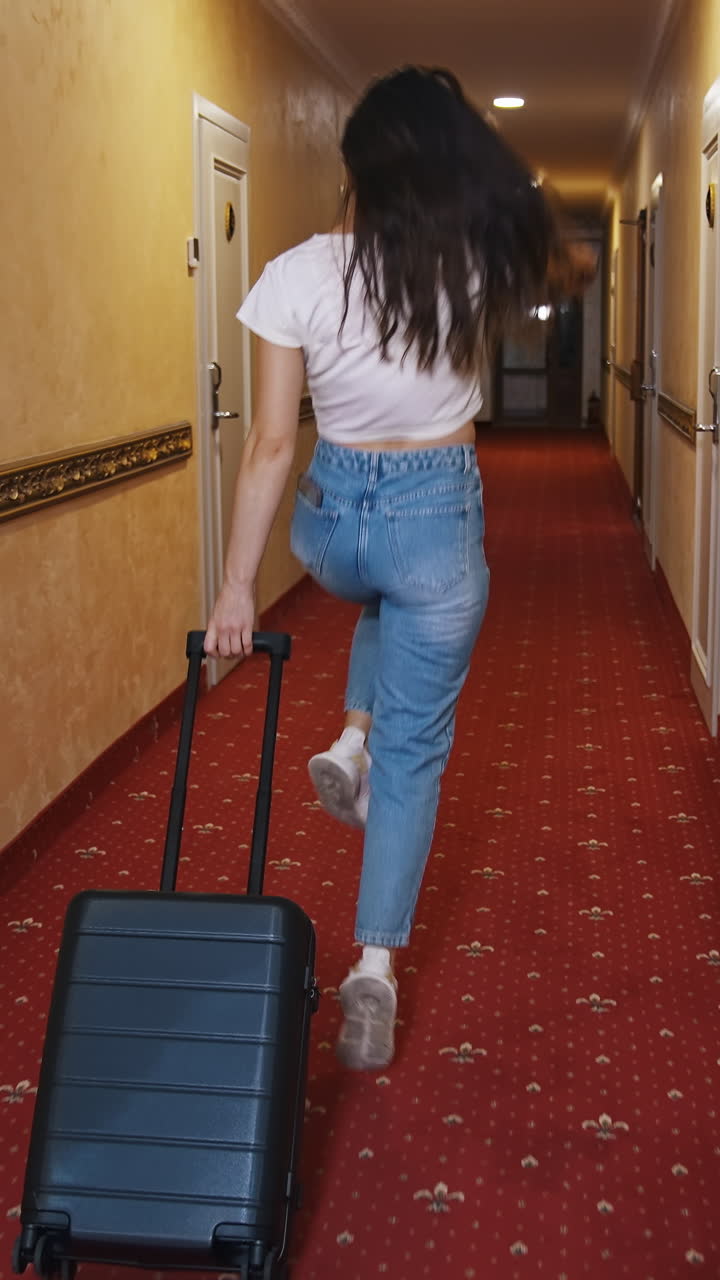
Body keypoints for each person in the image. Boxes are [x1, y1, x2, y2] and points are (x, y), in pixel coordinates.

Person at [204, 66, 555, 1071]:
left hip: (331, 535)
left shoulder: (293, 273)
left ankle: (350, 742)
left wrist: (236, 585)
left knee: (377, 598)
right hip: (436, 523)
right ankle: (374, 964)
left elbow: (272, 442)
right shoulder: (476, 261)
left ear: (351, 167)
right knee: (419, 752)